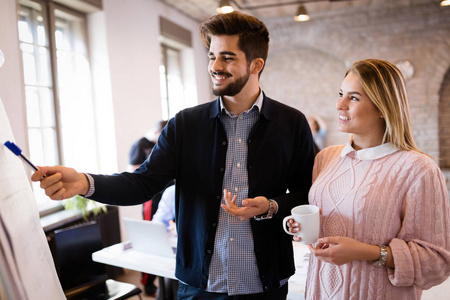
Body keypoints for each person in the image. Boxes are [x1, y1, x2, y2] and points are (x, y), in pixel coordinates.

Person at [32, 11, 315, 299]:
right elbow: (142, 183)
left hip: (265, 285)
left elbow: (309, 194)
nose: (214, 66)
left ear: (256, 65)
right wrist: (85, 182)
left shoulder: (291, 124)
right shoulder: (184, 125)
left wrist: (270, 205)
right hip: (199, 287)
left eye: (227, 58)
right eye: (211, 56)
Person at [287, 59, 450, 299]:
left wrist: (367, 252)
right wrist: (304, 228)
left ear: (383, 107)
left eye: (353, 98)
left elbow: (436, 264)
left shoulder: (418, 169)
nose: (339, 104)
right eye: (341, 94)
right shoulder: (326, 158)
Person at [128, 119, 168, 296]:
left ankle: (164, 277)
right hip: (150, 197)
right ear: (156, 132)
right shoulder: (140, 145)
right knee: (151, 235)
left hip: (165, 195)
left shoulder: (163, 145)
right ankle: (148, 281)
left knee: (167, 234)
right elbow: (134, 173)